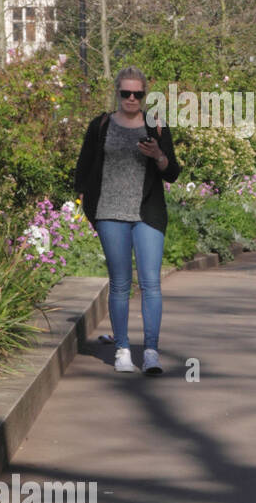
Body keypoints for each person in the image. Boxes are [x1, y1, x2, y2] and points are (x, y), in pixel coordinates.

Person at [74, 66, 181, 373]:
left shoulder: (156, 126)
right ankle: (122, 348)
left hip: (147, 213)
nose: (131, 99)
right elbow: (84, 169)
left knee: (151, 284)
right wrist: (87, 205)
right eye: (126, 93)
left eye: (138, 94)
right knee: (120, 285)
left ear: (145, 95)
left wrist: (158, 155)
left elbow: (172, 171)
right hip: (109, 213)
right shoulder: (101, 125)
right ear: (117, 93)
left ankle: (150, 351)